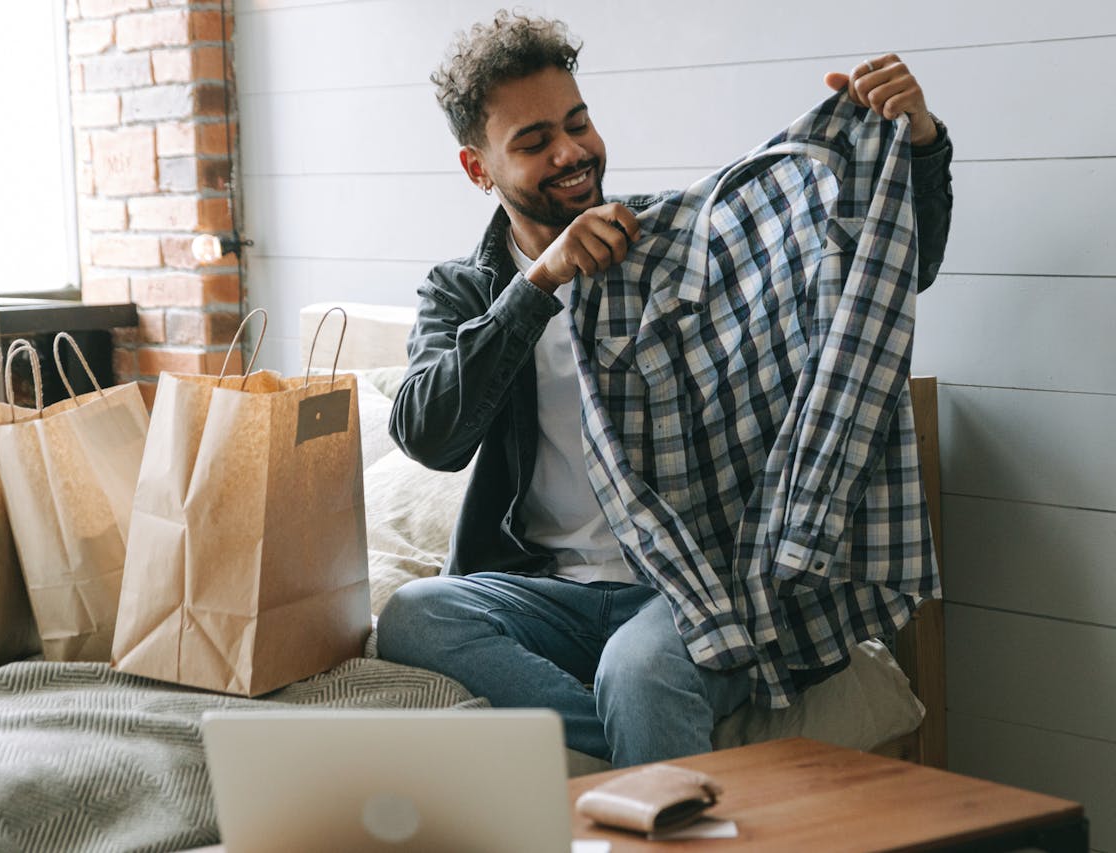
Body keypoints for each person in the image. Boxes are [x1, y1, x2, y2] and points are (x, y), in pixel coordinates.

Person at [376, 10, 954, 768]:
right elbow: (427, 433)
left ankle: (644, 755)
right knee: (415, 614)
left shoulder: (671, 247)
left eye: (577, 123)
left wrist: (918, 142)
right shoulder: (466, 290)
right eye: (534, 142)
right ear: (479, 169)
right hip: (551, 593)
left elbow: (890, 269)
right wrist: (539, 283)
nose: (571, 152)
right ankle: (640, 763)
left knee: (639, 670)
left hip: (688, 586)